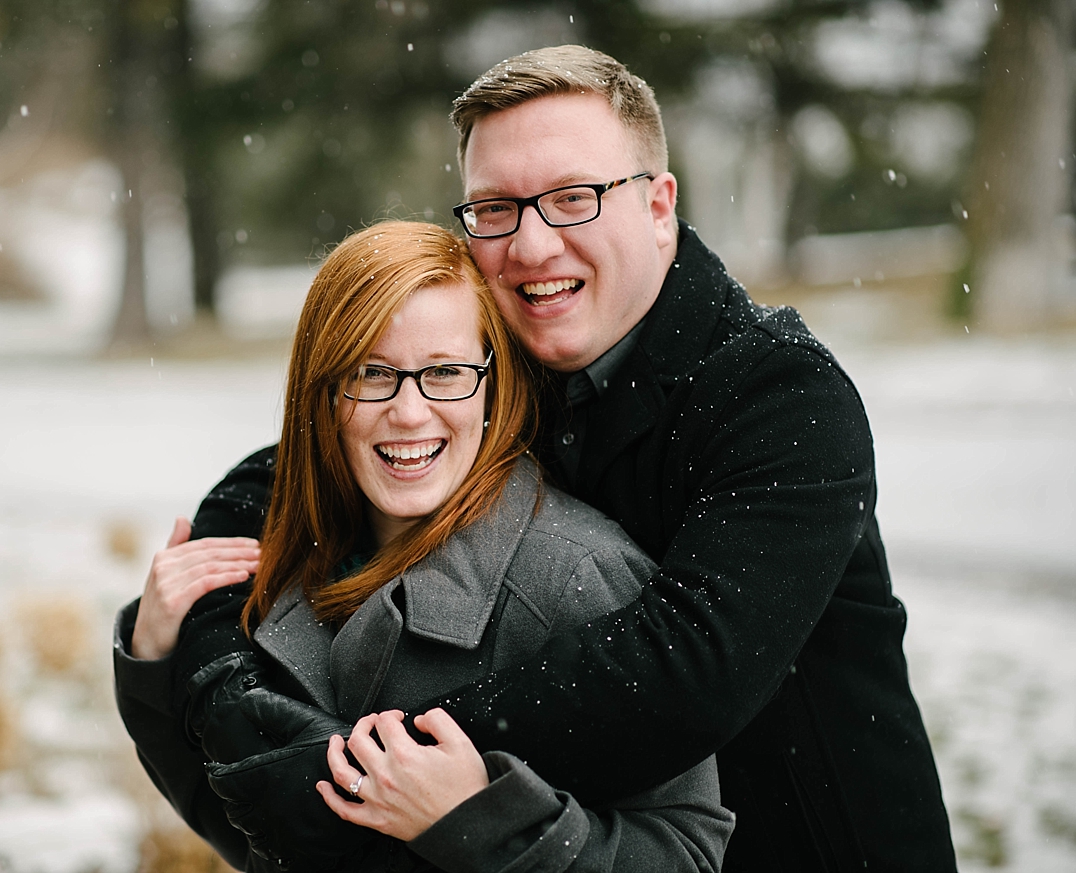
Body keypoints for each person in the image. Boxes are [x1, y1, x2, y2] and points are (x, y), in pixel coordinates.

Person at [118, 45, 957, 872]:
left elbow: (691, 670)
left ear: (659, 205)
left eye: (573, 198)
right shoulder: (510, 358)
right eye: (496, 208)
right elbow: (305, 460)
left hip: (824, 842)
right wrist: (209, 662)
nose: (532, 245)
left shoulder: (780, 394)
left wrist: (393, 766)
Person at [115, 220, 735, 872]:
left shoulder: (579, 576)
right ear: (323, 393)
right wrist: (157, 661)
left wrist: (476, 817)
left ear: (493, 383)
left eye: (445, 372)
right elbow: (250, 831)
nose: (409, 412)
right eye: (372, 373)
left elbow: (687, 854)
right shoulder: (294, 560)